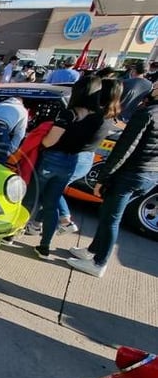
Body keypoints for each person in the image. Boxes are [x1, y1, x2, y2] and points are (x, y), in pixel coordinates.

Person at [67, 82, 158, 277]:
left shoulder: (147, 113)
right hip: (149, 176)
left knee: (111, 218)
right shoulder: (149, 112)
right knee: (108, 213)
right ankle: (92, 251)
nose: (154, 86)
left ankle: (99, 263)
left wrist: (104, 176)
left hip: (132, 174)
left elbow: (125, 148)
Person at [25, 75, 114, 260]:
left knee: (31, 198)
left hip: (52, 159)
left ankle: (10, 234)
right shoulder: (98, 118)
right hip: (71, 163)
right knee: (51, 204)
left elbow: (50, 141)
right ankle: (44, 246)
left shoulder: (69, 113)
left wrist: (40, 139)